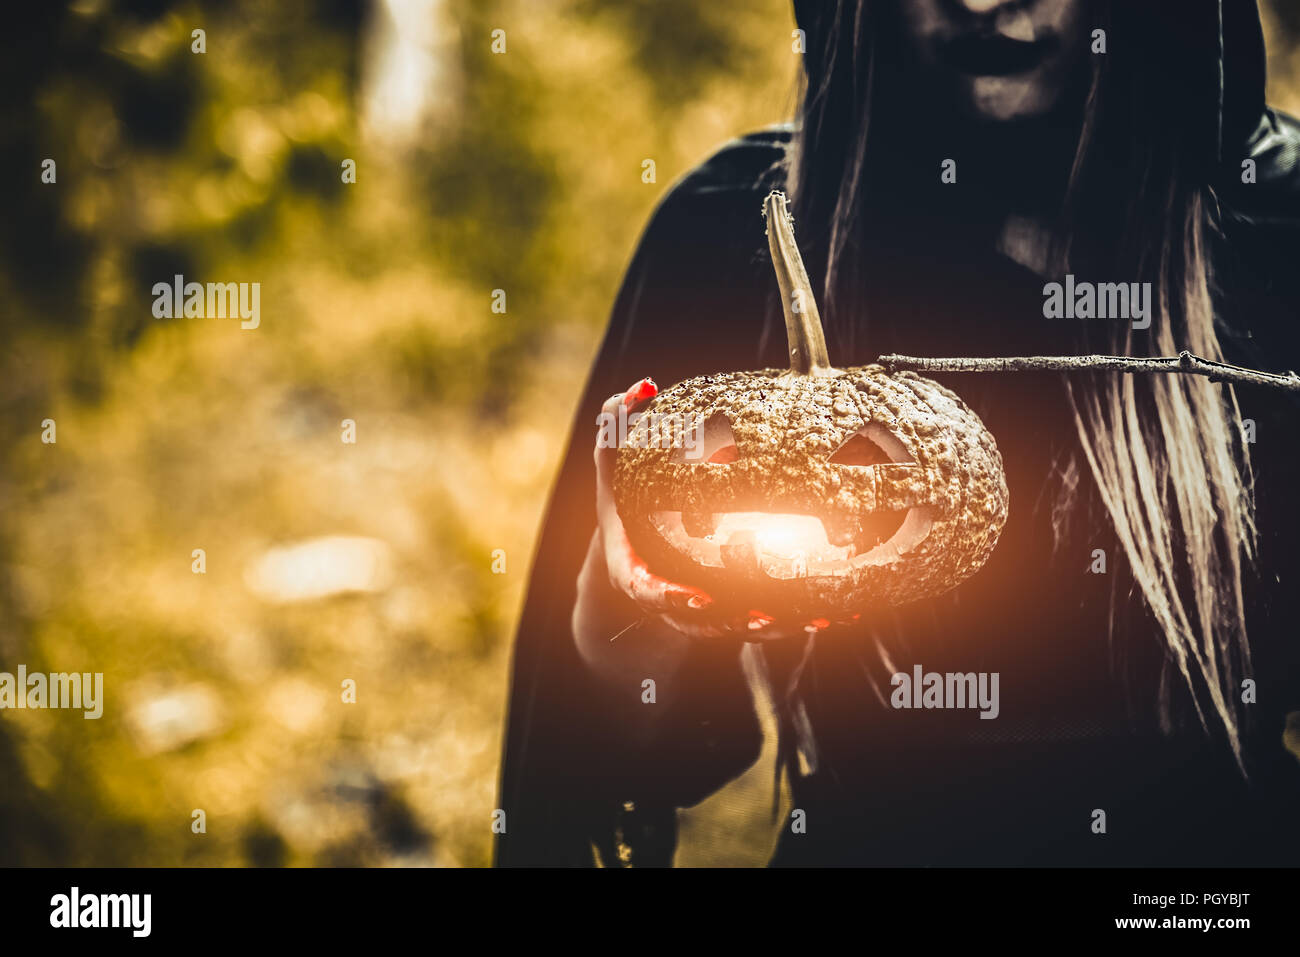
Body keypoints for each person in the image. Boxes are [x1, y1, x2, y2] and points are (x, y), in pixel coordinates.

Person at [496, 0, 1300, 866]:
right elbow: (596, 761)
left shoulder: (1274, 225)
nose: (985, 1)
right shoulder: (739, 229)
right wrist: (628, 623)